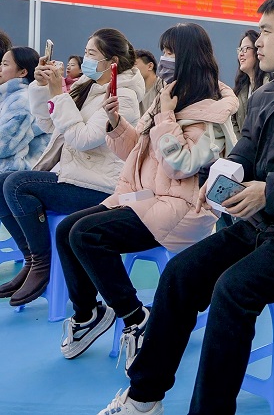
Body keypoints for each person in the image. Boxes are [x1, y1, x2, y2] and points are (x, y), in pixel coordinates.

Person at [97, 0, 274, 415]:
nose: (257, 42)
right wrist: (222, 176)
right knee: (180, 275)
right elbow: (245, 152)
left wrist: (268, 190)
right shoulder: (265, 96)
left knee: (232, 290)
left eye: (266, 32)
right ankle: (144, 397)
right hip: (261, 223)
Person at [55, 24, 238, 368]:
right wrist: (115, 123)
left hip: (182, 210)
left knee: (86, 235)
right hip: (146, 197)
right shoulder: (166, 97)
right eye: (163, 51)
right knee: (67, 230)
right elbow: (134, 152)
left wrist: (166, 116)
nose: (163, 60)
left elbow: (180, 166)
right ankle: (88, 314)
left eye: (170, 53)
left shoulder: (213, 114)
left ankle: (136, 317)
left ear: (189, 58)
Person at [0, 29, 144, 306]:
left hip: (100, 187)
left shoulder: (122, 96)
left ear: (112, 62)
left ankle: (42, 262)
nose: (85, 58)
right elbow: (49, 125)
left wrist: (59, 94)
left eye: (91, 54)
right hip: (73, 176)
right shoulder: (87, 85)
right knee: (2, 184)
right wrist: (41, 87)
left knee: (17, 184)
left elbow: (83, 139)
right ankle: (31, 257)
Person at [0, 47, 49, 174]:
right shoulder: (10, 96)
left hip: (12, 171)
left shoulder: (22, 99)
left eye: (5, 64)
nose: (0, 68)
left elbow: (5, 143)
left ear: (22, 72)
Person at [232, 28, 265, 134]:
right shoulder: (240, 90)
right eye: (240, 50)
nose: (241, 54)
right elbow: (233, 122)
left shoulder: (270, 86)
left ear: (258, 51)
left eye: (246, 49)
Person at [134, 50, 164, 115]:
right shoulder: (134, 91)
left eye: (134, 64)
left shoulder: (164, 87)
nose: (132, 69)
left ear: (150, 66)